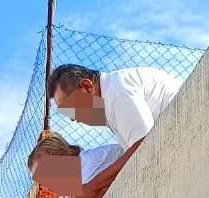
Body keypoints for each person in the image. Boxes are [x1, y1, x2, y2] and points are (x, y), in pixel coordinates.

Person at [47, 63, 180, 151]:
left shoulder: (116, 92)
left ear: (87, 87)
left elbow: (143, 147)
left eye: (71, 107)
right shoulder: (110, 100)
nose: (72, 119)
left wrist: (94, 184)